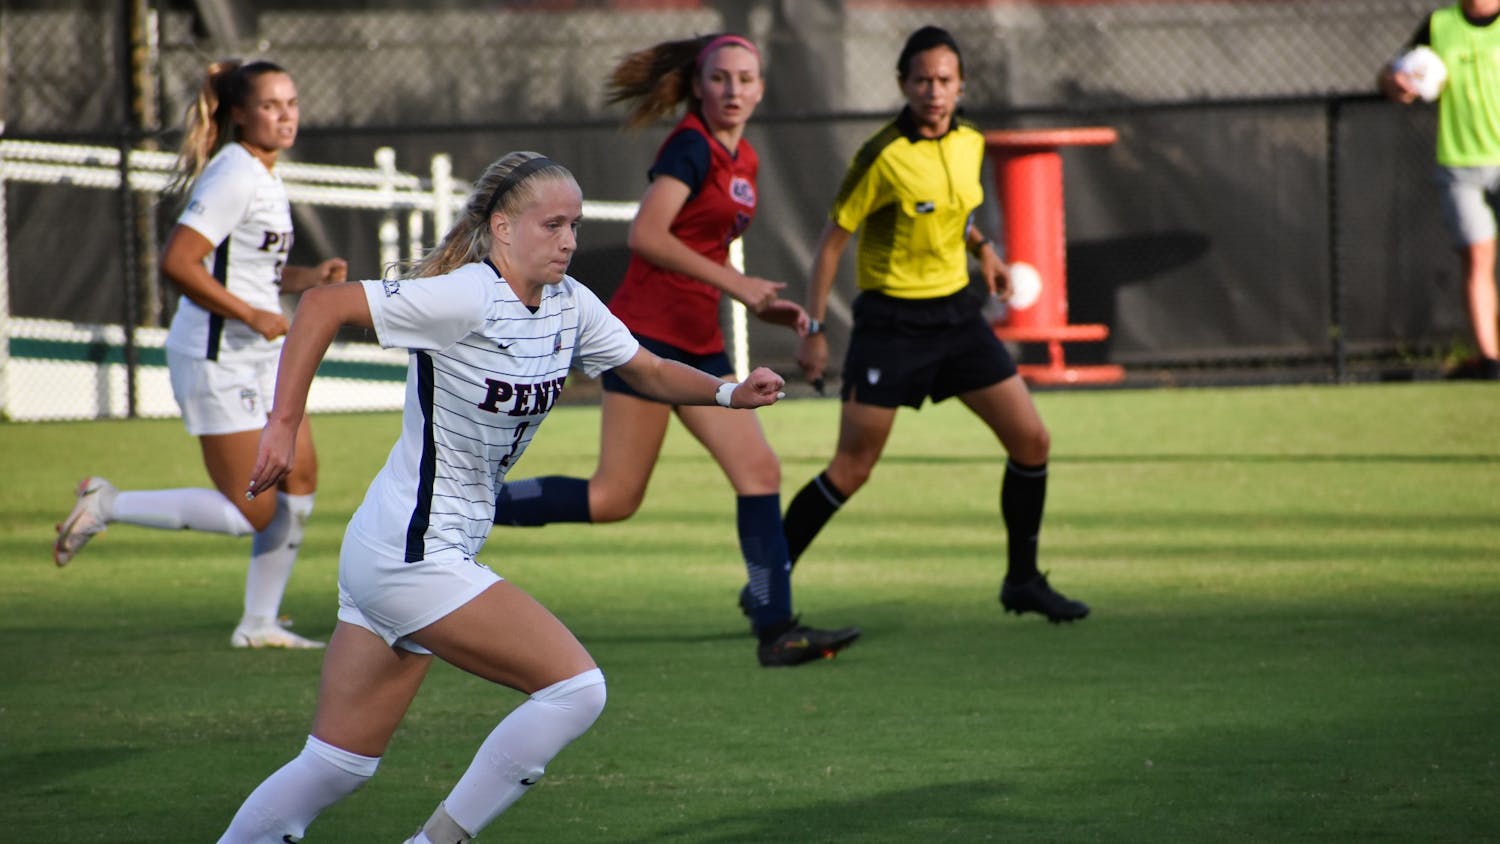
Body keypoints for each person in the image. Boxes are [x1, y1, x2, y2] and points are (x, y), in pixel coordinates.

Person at [218, 151, 790, 843]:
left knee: (336, 766)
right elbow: (322, 305)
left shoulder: (570, 304)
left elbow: (646, 369)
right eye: (552, 224)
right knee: (577, 690)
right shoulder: (465, 295)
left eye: (575, 224)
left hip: (398, 548)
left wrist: (728, 392)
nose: (570, 240)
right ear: (503, 228)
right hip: (413, 554)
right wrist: (281, 425)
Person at [492, 34, 861, 667]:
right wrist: (740, 286)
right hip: (646, 338)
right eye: (721, 79)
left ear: (761, 88)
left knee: (754, 474)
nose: (734, 90)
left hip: (699, 341)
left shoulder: (741, 156)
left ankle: (777, 631)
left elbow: (704, 250)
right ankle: (466, 501)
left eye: (746, 79)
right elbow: (648, 235)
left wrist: (759, 301)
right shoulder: (690, 146)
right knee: (615, 497)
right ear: (699, 85)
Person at [781, 25, 1090, 624]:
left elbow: (954, 212)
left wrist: (986, 251)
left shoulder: (970, 141)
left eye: (944, 79)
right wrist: (812, 328)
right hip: (891, 324)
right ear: (903, 84)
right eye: (921, 79)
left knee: (1032, 441)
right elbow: (829, 245)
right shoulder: (882, 154)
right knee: (852, 468)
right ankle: (769, 583)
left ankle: (1022, 580)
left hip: (956, 318)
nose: (933, 90)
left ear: (960, 85)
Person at [52, 59, 348, 648]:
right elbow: (178, 263)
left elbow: (245, 269)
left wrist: (306, 277)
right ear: (239, 114)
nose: (285, 116)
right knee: (251, 512)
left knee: (302, 477)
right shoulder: (234, 173)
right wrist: (251, 314)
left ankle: (259, 624)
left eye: (291, 103)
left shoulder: (263, 173)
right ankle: (106, 503)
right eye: (271, 105)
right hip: (218, 360)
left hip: (259, 355)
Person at [1380, 0, 1500, 380]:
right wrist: (1396, 83)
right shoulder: (1439, 24)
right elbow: (1393, 73)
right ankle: (1491, 362)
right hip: (1460, 163)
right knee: (1479, 258)